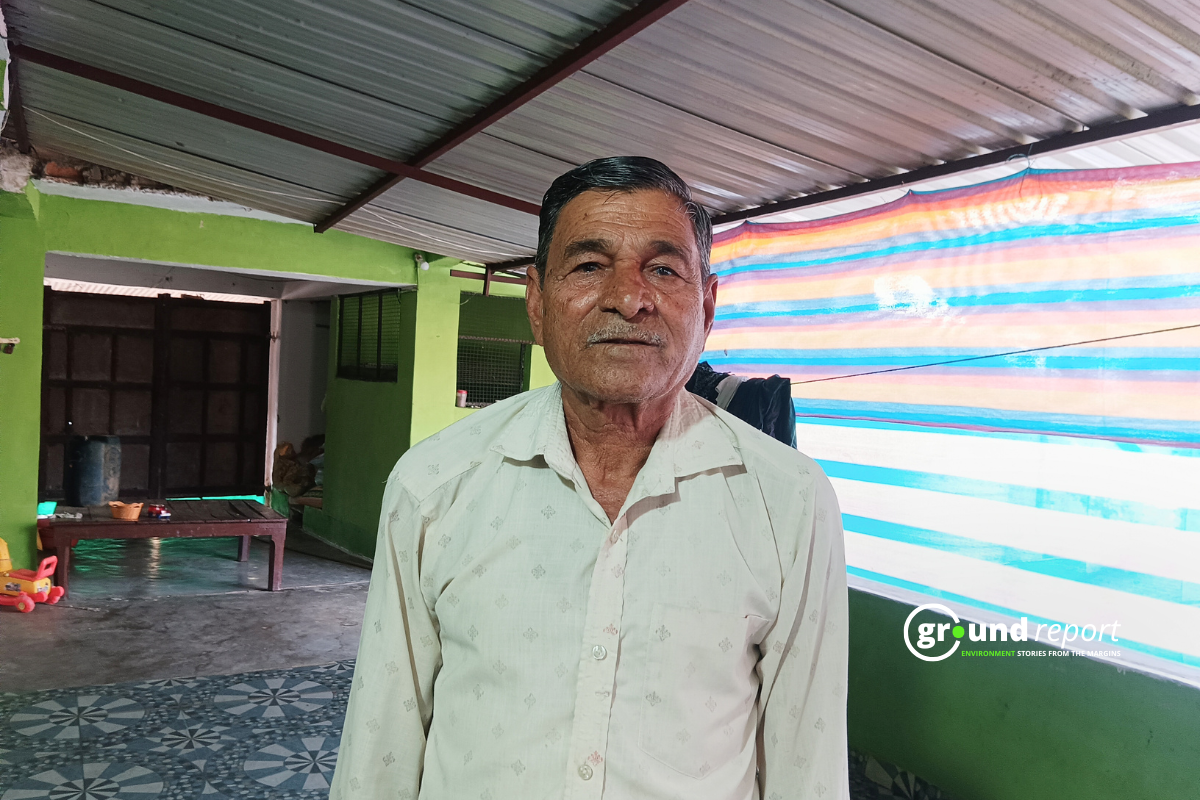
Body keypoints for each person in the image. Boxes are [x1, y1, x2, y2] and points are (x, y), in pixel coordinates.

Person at [329, 156, 849, 800]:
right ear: (538, 303)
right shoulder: (434, 484)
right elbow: (382, 738)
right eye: (588, 266)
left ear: (707, 304)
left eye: (662, 268)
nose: (628, 298)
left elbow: (809, 761)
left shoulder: (789, 500)